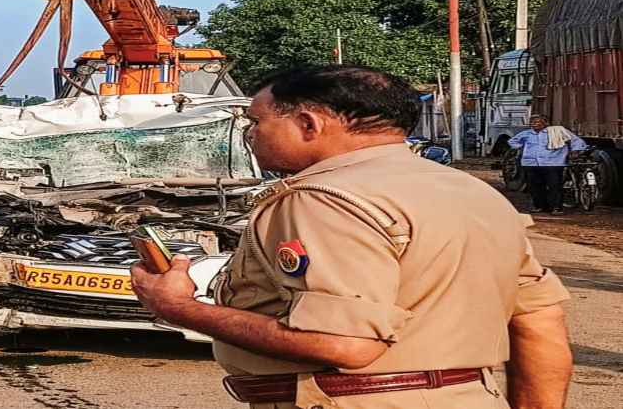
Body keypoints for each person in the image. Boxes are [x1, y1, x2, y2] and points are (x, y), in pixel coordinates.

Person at [131, 65, 572, 409]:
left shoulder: (323, 199)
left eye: (257, 122)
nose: (251, 136)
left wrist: (178, 308)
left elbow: (344, 344)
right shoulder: (477, 194)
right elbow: (539, 326)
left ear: (308, 124)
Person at [508, 115, 587, 216]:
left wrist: (575, 151)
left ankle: (556, 207)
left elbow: (576, 141)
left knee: (554, 186)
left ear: (546, 123)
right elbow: (512, 141)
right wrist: (522, 148)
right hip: (531, 164)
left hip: (553, 163)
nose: (535, 124)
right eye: (532, 122)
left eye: (538, 122)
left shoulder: (557, 132)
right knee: (535, 187)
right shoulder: (526, 134)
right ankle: (539, 206)